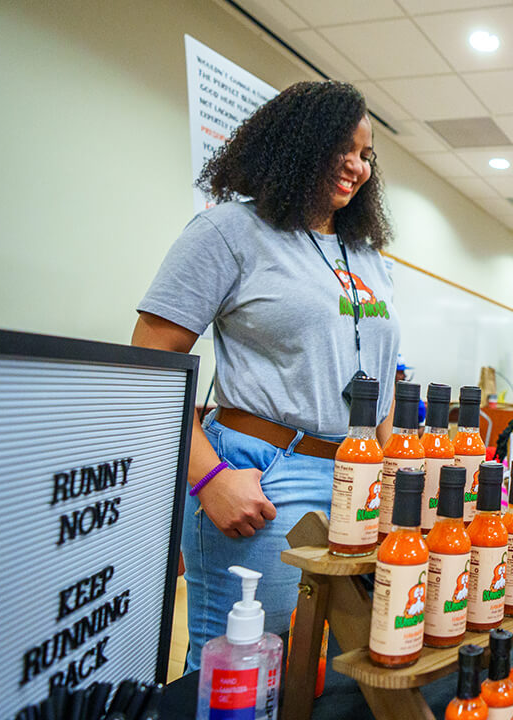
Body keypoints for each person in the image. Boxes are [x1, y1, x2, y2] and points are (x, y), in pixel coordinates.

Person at [133, 81, 399, 671]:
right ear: (299, 142)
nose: (357, 167)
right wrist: (210, 480)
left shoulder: (368, 255)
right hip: (266, 476)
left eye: (367, 156)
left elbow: (378, 381)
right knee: (248, 678)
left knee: (339, 675)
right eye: (344, 148)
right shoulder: (228, 231)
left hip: (361, 484)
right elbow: (153, 364)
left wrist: (397, 481)